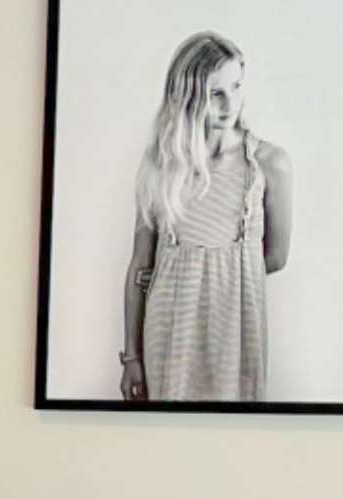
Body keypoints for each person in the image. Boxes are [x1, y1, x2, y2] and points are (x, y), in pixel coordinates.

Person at [119, 32, 293, 404]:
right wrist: (131, 357)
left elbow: (276, 257)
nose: (230, 103)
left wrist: (219, 276)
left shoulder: (269, 163)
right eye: (215, 93)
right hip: (169, 330)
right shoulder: (161, 165)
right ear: (188, 96)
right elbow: (140, 264)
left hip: (236, 329)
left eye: (236, 86)